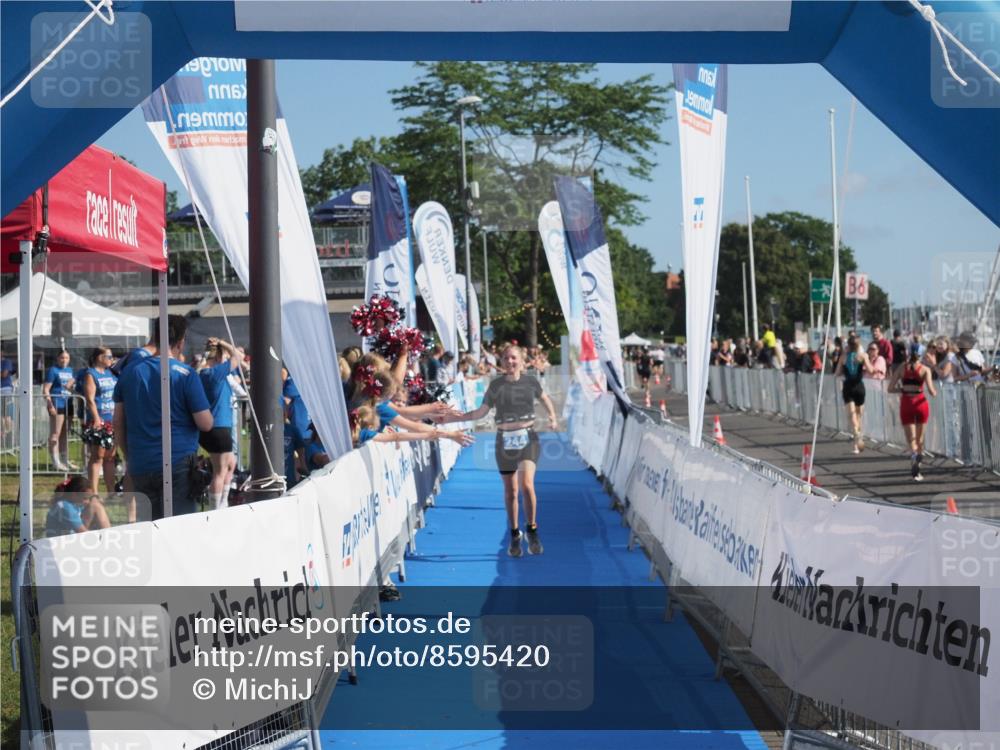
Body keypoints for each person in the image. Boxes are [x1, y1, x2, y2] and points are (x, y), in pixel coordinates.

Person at [436, 343, 558, 558]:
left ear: (521, 360)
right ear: (502, 362)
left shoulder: (531, 381)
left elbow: (545, 398)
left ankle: (532, 528)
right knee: (511, 492)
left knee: (527, 485)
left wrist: (553, 417)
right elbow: (481, 412)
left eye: (514, 358)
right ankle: (514, 533)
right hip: (504, 441)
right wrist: (457, 417)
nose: (510, 362)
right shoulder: (496, 385)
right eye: (507, 358)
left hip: (527, 438)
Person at [113, 315, 213, 519]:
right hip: (177, 463)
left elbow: (118, 422)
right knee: (179, 531)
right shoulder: (186, 374)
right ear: (181, 342)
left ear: (155, 337)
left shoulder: (130, 371)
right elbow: (206, 423)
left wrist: (129, 456)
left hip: (141, 463)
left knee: (150, 531)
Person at [198, 338, 245, 510]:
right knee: (219, 471)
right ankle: (216, 509)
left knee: (230, 464)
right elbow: (239, 355)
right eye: (223, 356)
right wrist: (222, 343)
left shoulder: (205, 373)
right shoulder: (213, 373)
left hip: (217, 427)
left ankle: (223, 503)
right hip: (218, 427)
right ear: (218, 357)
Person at [889, 345, 937, 481]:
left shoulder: (901, 368)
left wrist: (903, 389)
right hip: (921, 403)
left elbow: (890, 388)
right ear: (921, 355)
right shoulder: (925, 370)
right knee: (920, 438)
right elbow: (932, 392)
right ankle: (918, 467)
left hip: (907, 403)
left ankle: (914, 456)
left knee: (911, 439)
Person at [82, 347, 118, 494]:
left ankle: (111, 490)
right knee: (97, 456)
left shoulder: (111, 373)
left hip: (112, 419)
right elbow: (90, 399)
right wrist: (97, 419)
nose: (111, 358)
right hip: (98, 419)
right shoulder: (91, 374)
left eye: (111, 356)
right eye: (108, 356)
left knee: (110, 457)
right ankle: (94, 492)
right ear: (99, 357)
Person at [835, 334, 874, 453]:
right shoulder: (863, 356)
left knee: (852, 415)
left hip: (848, 386)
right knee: (858, 415)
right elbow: (871, 370)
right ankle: (857, 440)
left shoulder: (843, 357)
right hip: (859, 386)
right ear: (858, 345)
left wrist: (843, 370)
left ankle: (857, 437)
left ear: (848, 345)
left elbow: (837, 372)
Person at [43, 350, 77, 471]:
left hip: (69, 403)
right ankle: (55, 461)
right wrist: (49, 404)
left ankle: (64, 459)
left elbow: (71, 387)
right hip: (57, 403)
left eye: (66, 358)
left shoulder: (70, 370)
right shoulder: (53, 370)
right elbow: (46, 388)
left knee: (65, 433)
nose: (64, 360)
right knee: (55, 434)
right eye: (62, 358)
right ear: (57, 359)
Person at [45, 475, 111, 537]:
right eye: (85, 498)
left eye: (89, 498)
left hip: (68, 538)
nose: (88, 502)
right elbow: (83, 533)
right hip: (59, 544)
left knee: (95, 505)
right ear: (74, 494)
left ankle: (108, 535)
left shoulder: (74, 503)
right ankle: (108, 537)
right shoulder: (65, 507)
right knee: (95, 506)